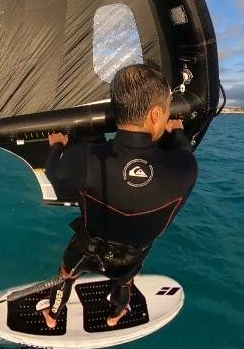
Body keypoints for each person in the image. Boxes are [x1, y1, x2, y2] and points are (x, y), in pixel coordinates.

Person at [38, 62, 198, 330]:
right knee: (125, 282)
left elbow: (54, 172)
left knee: (66, 276)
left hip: (86, 250)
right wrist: (178, 130)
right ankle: (115, 316)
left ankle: (52, 317)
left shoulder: (84, 158)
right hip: (129, 259)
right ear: (155, 114)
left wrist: (57, 146)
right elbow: (182, 149)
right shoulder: (184, 168)